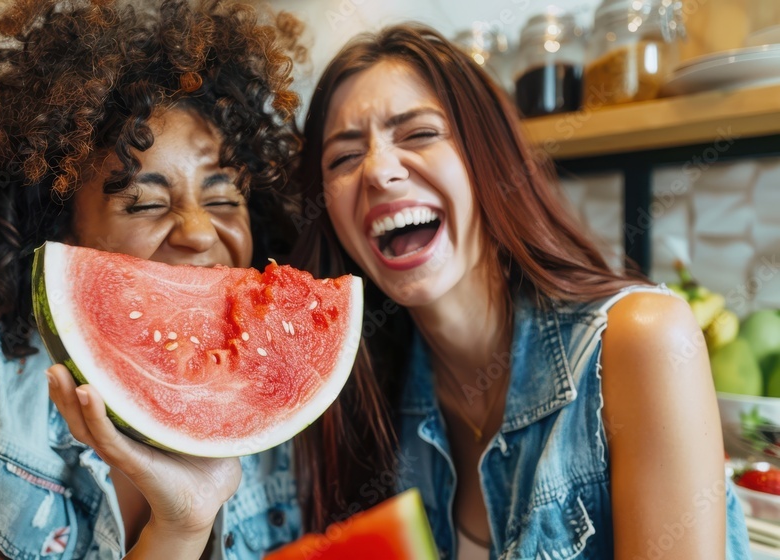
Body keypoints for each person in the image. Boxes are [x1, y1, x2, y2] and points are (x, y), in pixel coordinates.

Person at [288, 23, 752, 559]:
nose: (379, 171)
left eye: (418, 133)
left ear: (490, 156)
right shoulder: (371, 393)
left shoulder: (642, 343)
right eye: (344, 158)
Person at [0, 0, 305, 558]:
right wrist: (179, 529)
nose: (200, 232)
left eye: (224, 196)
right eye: (146, 203)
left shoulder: (287, 390)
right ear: (62, 234)